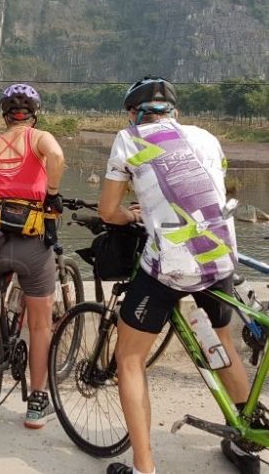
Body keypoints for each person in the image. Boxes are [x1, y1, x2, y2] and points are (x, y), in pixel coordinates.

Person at [99, 77, 251, 474]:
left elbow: (107, 211)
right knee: (220, 341)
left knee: (129, 358)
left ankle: (145, 467)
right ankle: (248, 439)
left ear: (134, 114)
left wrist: (132, 214)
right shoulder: (206, 137)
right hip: (220, 258)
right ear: (174, 112)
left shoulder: (129, 138)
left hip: (172, 267)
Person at [0, 83, 64, 429]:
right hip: (31, 241)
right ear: (33, 115)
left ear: (6, 115)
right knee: (40, 325)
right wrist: (52, 194)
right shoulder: (39, 139)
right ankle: (37, 402)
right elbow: (56, 157)